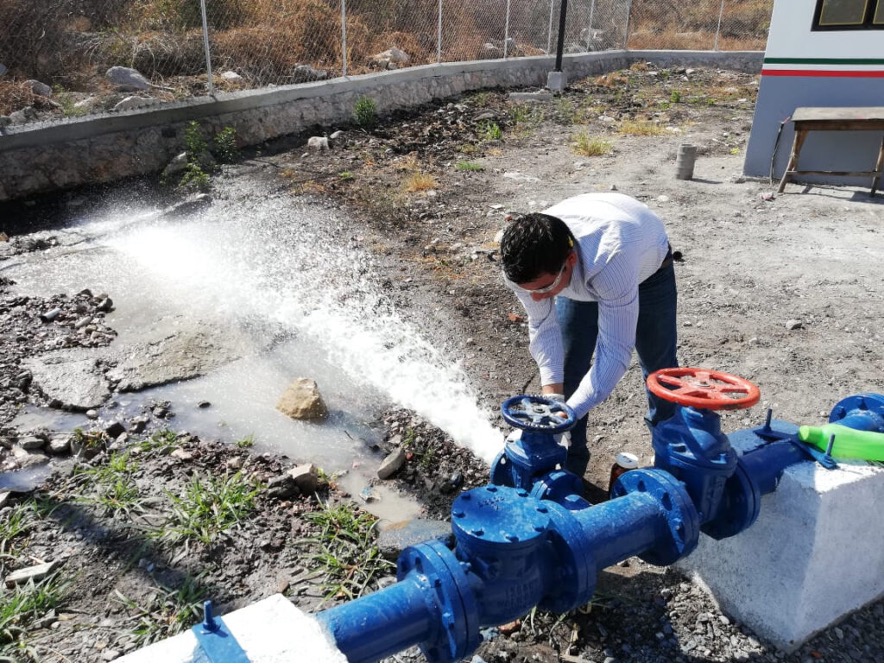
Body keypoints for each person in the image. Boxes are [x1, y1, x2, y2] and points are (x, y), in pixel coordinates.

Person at [499, 192, 678, 478]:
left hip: (647, 269)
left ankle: (671, 456)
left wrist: (568, 415)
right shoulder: (522, 269)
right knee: (569, 371)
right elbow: (542, 327)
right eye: (528, 290)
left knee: (661, 370)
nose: (536, 298)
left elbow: (616, 352)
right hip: (581, 270)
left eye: (543, 288)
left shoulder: (610, 258)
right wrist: (554, 401)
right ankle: (568, 468)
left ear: (569, 260)